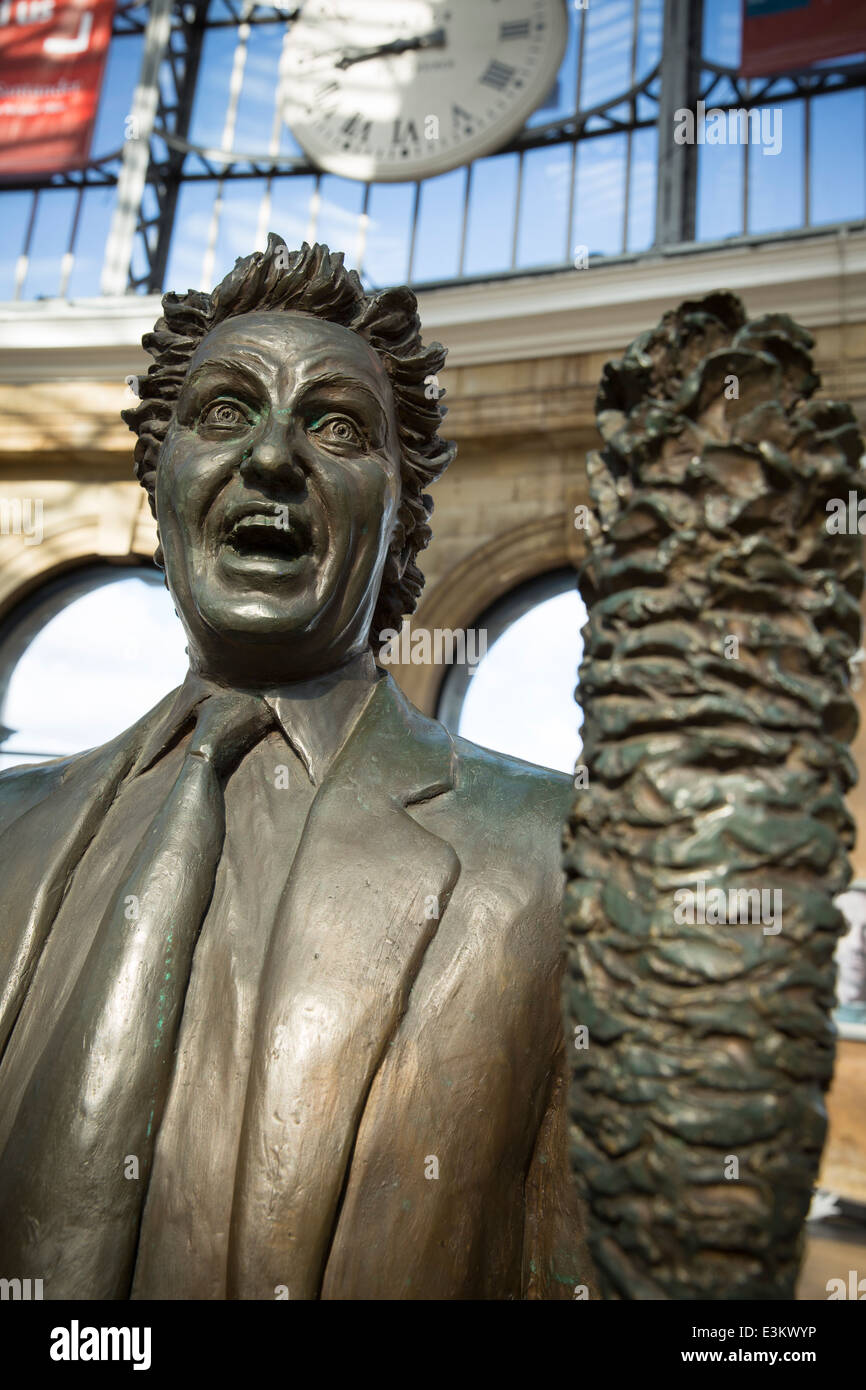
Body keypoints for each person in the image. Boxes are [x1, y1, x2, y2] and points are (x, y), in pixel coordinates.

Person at [0, 236, 593, 1300]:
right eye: (223, 413)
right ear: (159, 482)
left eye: (334, 425)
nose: (271, 458)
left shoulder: (555, 859)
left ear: (403, 515)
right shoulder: (8, 821)